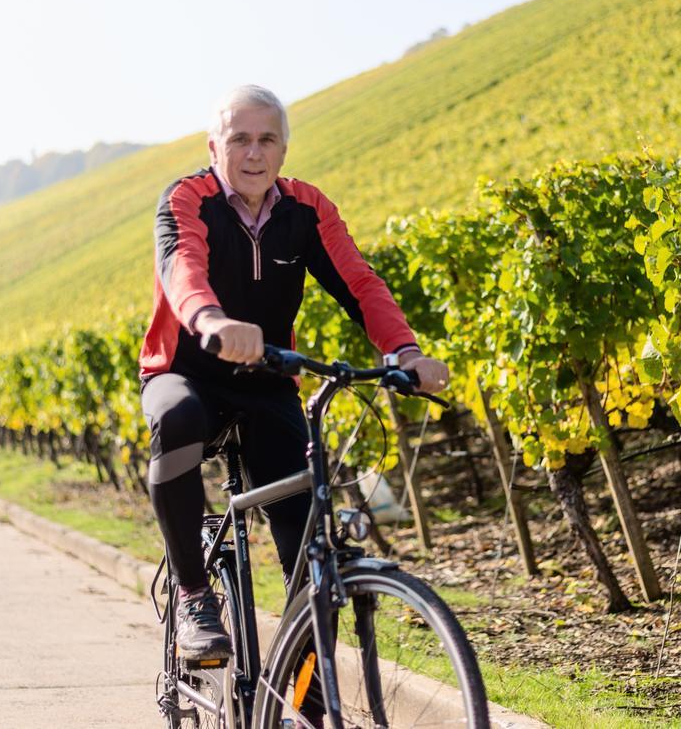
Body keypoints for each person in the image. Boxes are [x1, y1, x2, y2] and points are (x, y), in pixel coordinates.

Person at [138, 85, 449, 661]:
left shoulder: (307, 210)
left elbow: (359, 283)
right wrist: (211, 320)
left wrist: (404, 352)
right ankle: (193, 595)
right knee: (177, 419)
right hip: (186, 369)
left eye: (267, 140)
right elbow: (182, 266)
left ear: (283, 151)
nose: (253, 154)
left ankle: (300, 701)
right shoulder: (187, 198)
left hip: (268, 378)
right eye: (239, 140)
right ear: (214, 147)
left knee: (309, 553)